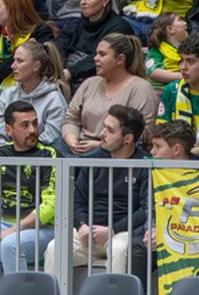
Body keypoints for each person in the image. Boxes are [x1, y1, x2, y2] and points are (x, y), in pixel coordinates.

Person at [44, 104, 147, 277]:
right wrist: (81, 224)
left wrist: (112, 230)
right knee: (55, 247)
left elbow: (144, 210)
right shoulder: (92, 160)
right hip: (88, 232)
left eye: (110, 130)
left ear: (128, 138)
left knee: (119, 249)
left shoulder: (144, 165)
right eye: (104, 127)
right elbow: (77, 200)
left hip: (122, 232)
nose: (102, 133)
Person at [61, 34, 158, 153]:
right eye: (96, 54)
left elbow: (142, 133)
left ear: (120, 59)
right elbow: (71, 119)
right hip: (78, 147)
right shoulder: (89, 83)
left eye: (102, 54)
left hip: (115, 153)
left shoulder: (141, 88)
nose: (95, 58)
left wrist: (99, 145)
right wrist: (73, 142)